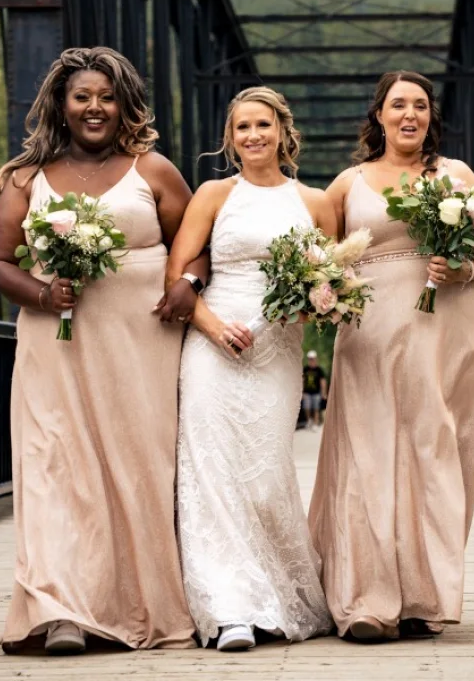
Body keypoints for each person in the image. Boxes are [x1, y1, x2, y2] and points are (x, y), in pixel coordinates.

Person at [0, 47, 206, 654]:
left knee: (137, 469)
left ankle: (141, 603)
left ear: (123, 104)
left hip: (140, 347)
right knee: (57, 467)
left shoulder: (154, 171)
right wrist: (40, 290)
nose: (95, 107)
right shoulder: (24, 180)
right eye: (82, 96)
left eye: (106, 97)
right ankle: (62, 612)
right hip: (55, 347)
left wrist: (190, 285)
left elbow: (196, 247)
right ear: (61, 103)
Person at [309, 70, 474, 642]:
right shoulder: (346, 185)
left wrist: (463, 268)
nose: (409, 115)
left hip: (450, 327)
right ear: (378, 116)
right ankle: (368, 600)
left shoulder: (457, 175)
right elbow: (322, 263)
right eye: (398, 105)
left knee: (436, 451)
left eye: (420, 105)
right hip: (370, 334)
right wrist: (322, 294)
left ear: (430, 116)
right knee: (368, 454)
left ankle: (423, 596)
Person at [164, 86, 337, 652]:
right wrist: (212, 328)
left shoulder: (314, 204)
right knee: (211, 474)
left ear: (284, 132)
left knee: (264, 476)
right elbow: (177, 274)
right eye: (242, 127)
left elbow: (330, 285)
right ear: (230, 138)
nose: (253, 135)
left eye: (263, 125)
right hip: (213, 346)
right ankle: (229, 610)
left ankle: (277, 598)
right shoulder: (214, 194)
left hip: (278, 352)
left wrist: (313, 300)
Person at [301, 351, 327, 429]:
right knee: (306, 407)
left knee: (316, 408)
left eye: (312, 359)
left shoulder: (319, 370)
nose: (311, 360)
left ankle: (315, 424)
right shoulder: (305, 369)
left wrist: (324, 393)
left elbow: (323, 382)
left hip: (316, 393)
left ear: (315, 359)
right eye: (310, 359)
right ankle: (309, 420)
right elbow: (302, 380)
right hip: (306, 392)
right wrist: (301, 392)